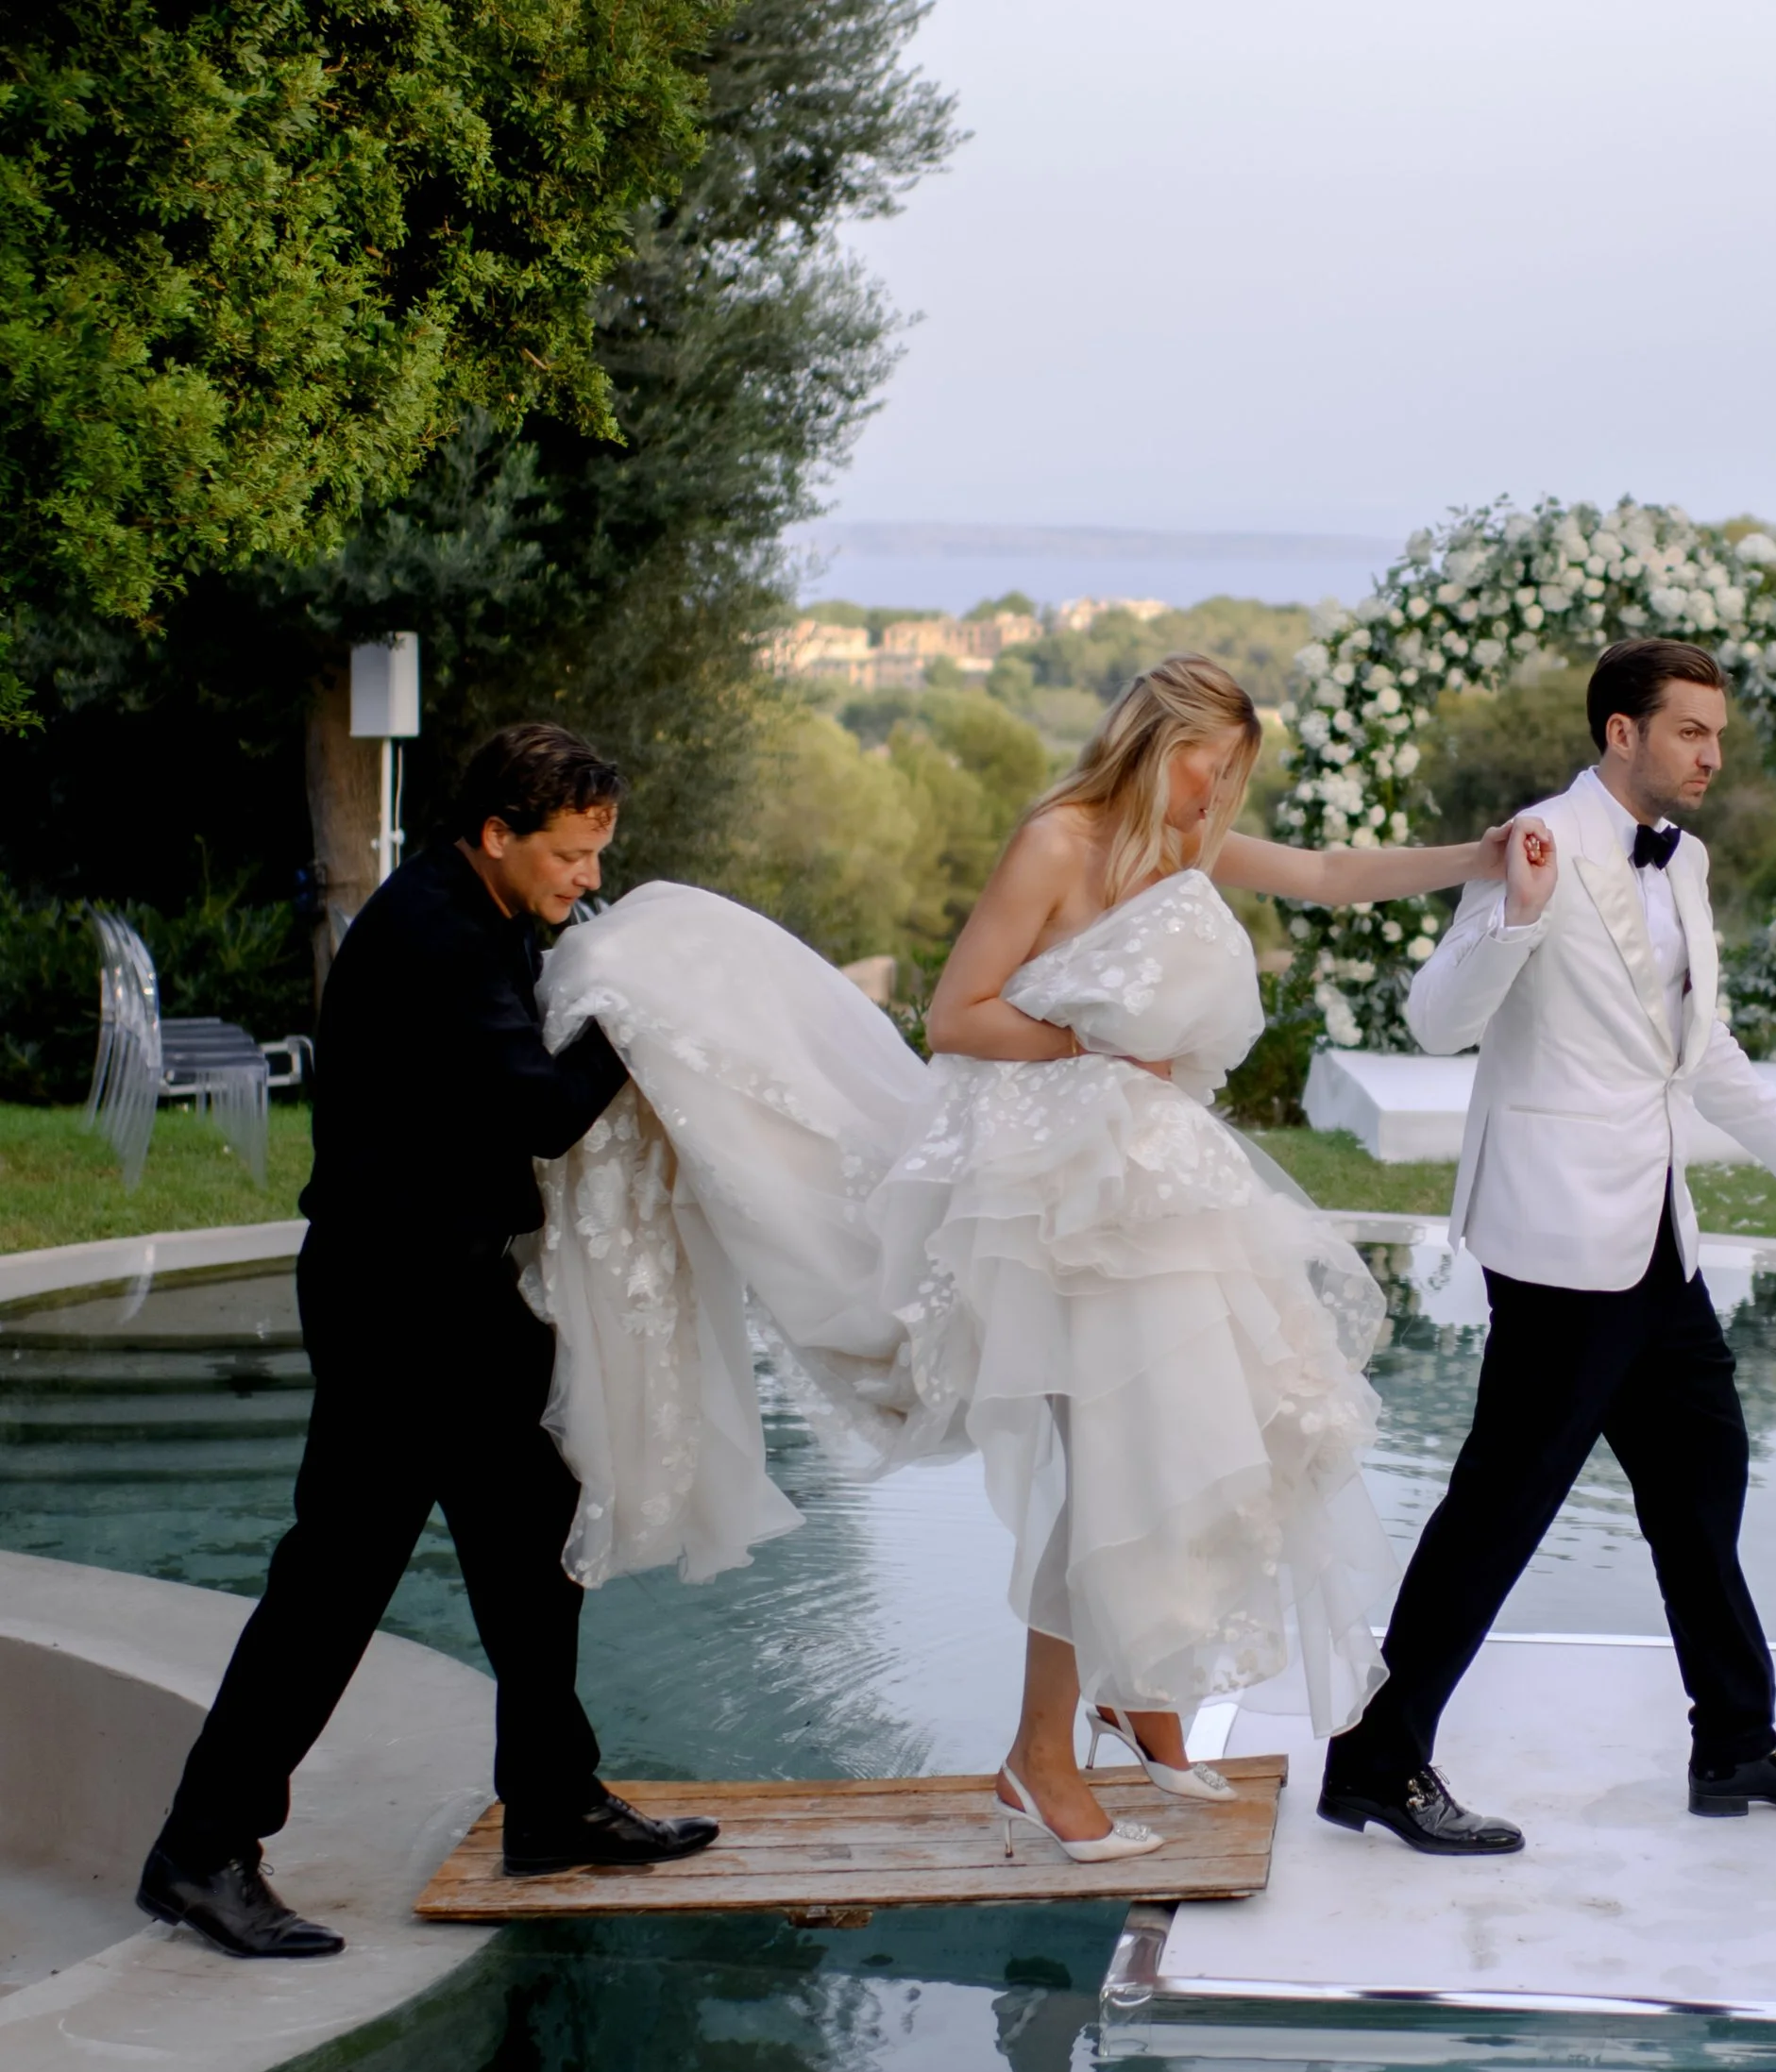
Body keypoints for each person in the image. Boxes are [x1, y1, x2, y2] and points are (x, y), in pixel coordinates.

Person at [524, 657, 1520, 1867]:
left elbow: (1325, 876)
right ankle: (1039, 1760)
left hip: (1154, 1191)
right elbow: (955, 1017)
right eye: (1213, 769)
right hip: (1046, 1196)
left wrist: (1473, 860)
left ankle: (1130, 1701)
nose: (1222, 799)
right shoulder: (1059, 840)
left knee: (1200, 1435)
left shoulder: (1184, 844)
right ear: (1159, 743)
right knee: (1117, 1461)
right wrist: (1092, 1046)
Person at [137, 725, 719, 1962]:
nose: (586, 878)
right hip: (392, 1302)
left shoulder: (490, 909)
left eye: (598, 853)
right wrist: (643, 1009)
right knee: (335, 1579)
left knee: (535, 1543)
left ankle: (552, 1804)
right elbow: (549, 1113)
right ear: (497, 832)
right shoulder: (437, 935)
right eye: (571, 854)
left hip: (467, 1293)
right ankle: (201, 1851)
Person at [1319, 637, 1776, 1857]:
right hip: (1556, 1236)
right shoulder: (1535, 842)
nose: (1711, 754)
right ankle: (1376, 1760)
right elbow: (1436, 1024)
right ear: (1621, 734)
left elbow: (1701, 1047)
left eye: (1718, 735)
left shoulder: (1681, 863)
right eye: (1692, 731)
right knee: (1502, 1507)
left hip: (1658, 1236)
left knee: (1703, 1484)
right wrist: (1517, 919)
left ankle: (1735, 1739)